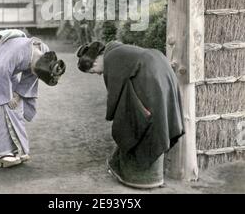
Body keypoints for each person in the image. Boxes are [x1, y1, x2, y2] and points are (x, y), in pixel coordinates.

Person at [76, 40, 184, 189]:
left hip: (150, 76)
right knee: (159, 119)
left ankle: (140, 179)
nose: (99, 74)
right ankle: (154, 177)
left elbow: (115, 96)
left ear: (94, 64)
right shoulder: (114, 49)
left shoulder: (111, 58)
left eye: (94, 72)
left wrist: (114, 115)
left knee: (133, 123)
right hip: (162, 71)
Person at [0, 29, 66, 168]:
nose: (31, 72)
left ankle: (16, 149)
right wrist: (8, 98)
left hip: (8, 70)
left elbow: (32, 76)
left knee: (16, 108)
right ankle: (0, 154)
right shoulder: (16, 50)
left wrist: (18, 94)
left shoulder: (44, 52)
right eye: (33, 70)